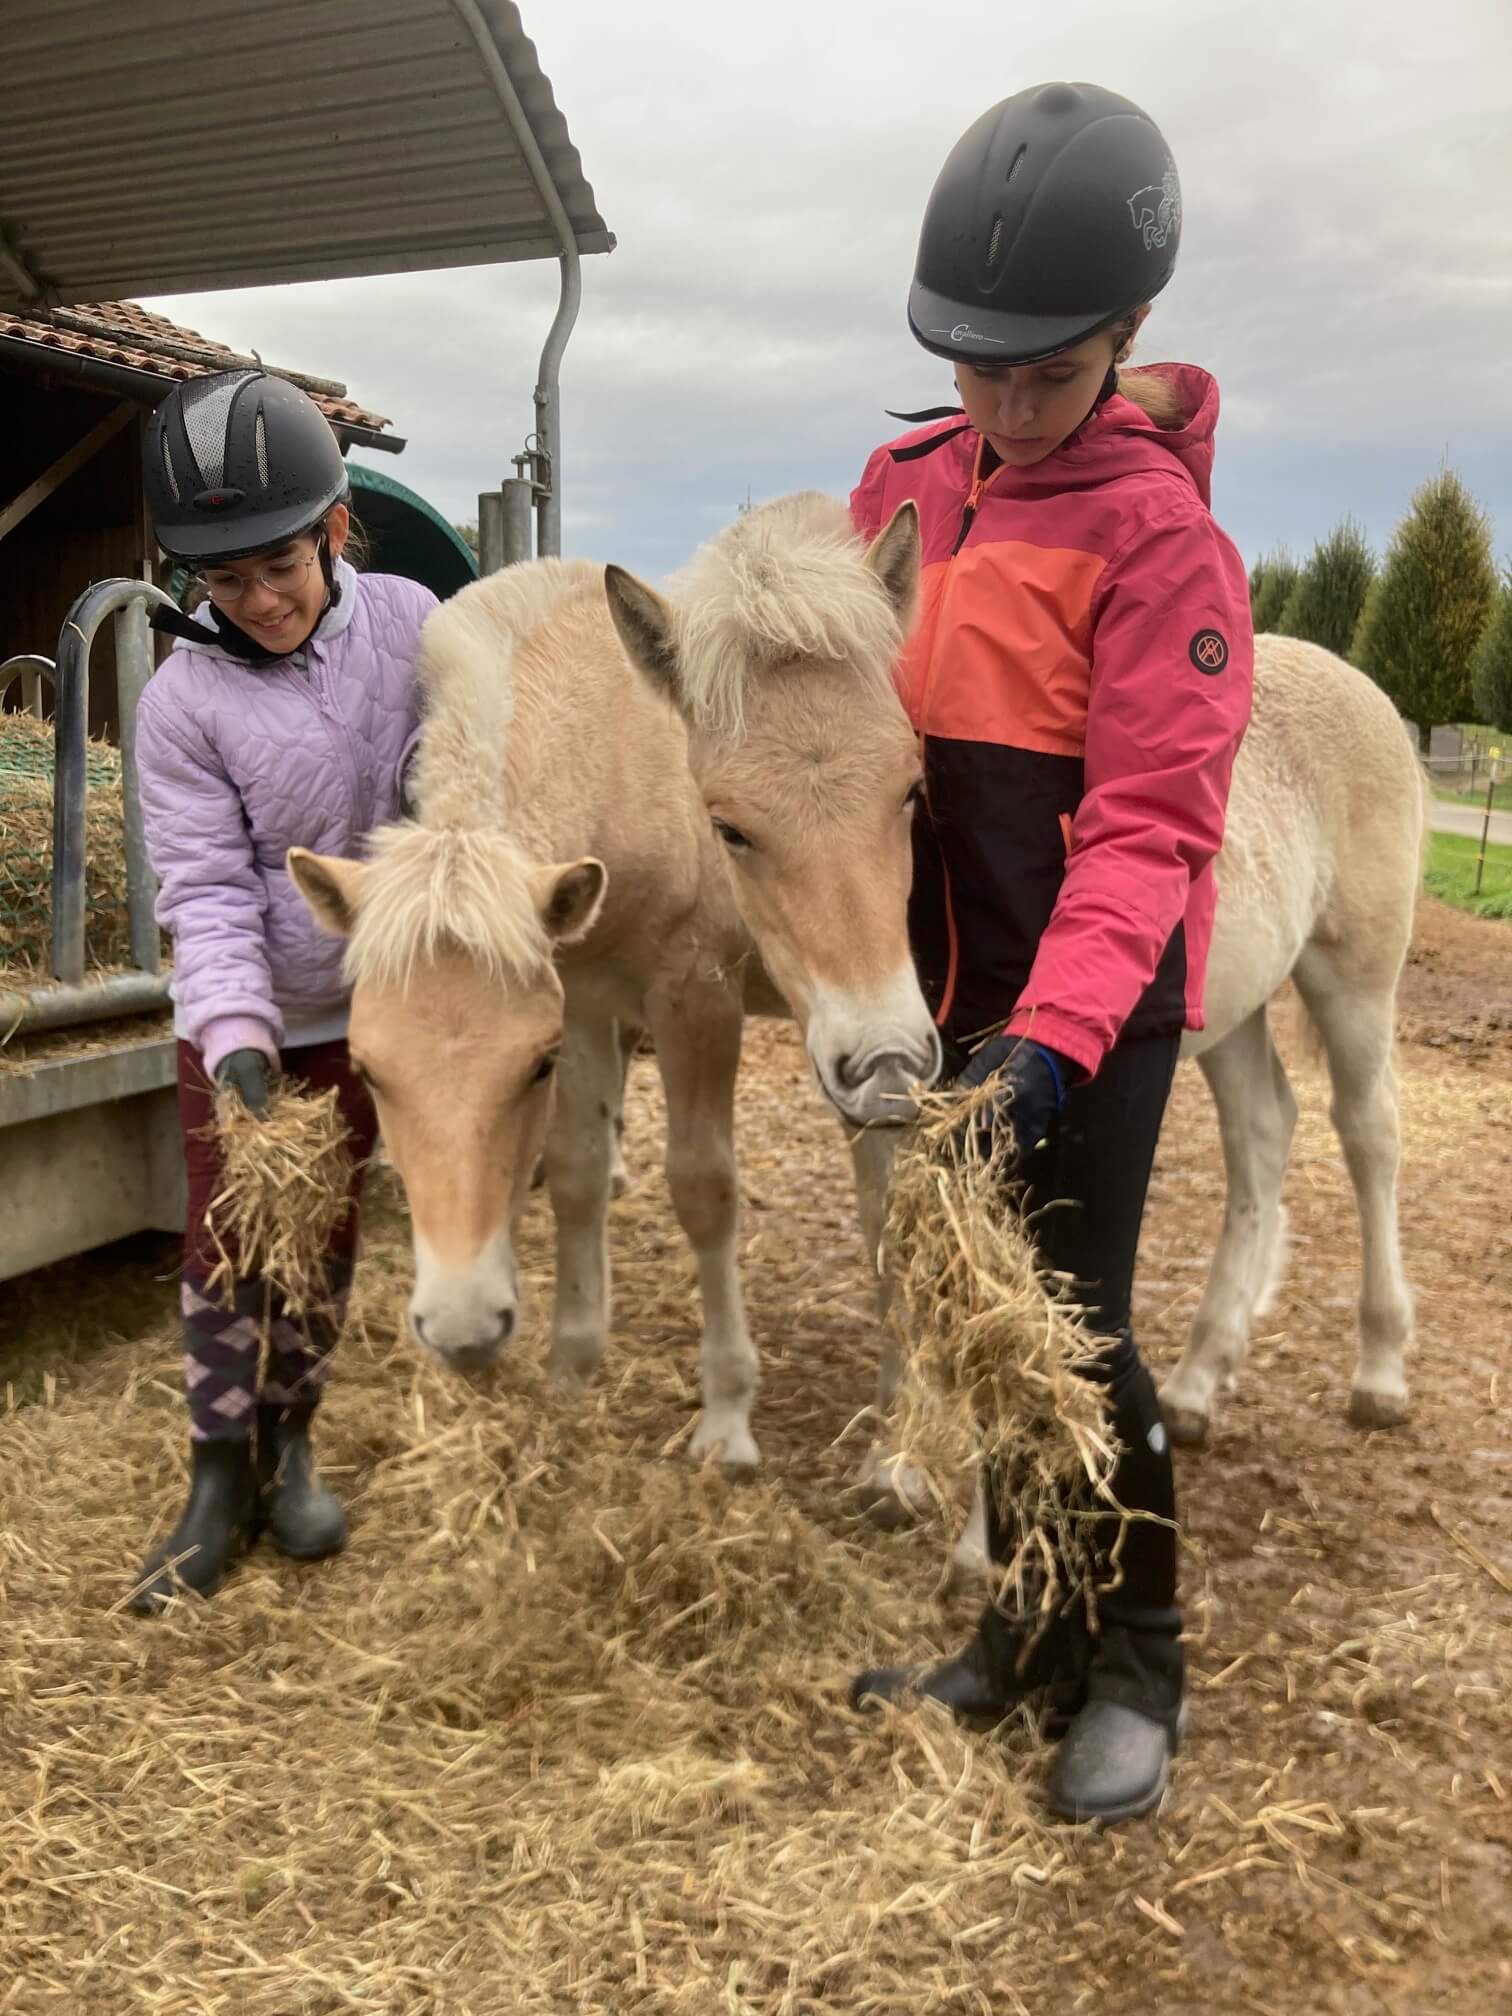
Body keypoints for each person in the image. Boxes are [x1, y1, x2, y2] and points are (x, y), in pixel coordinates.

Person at [848, 82, 1254, 1822]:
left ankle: (1139, 1654)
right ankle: (1020, 1630)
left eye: (1047, 373)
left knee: (1072, 1327)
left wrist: (1047, 1044)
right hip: (942, 982)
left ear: (1130, 333)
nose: (1006, 409)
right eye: (976, 370)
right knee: (972, 1321)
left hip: (1089, 1002)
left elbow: (1153, 829)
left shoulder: (1161, 541)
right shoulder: (904, 485)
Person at [129, 369, 436, 1613]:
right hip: (246, 1017)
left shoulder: (417, 627)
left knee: (324, 1235)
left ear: (335, 533)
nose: (256, 601)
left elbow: (458, 787)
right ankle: (217, 1473)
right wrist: (239, 1032)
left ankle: (293, 1442)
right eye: (223, 581)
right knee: (225, 1242)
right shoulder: (182, 701)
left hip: (372, 1010)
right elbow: (202, 884)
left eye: (279, 568)